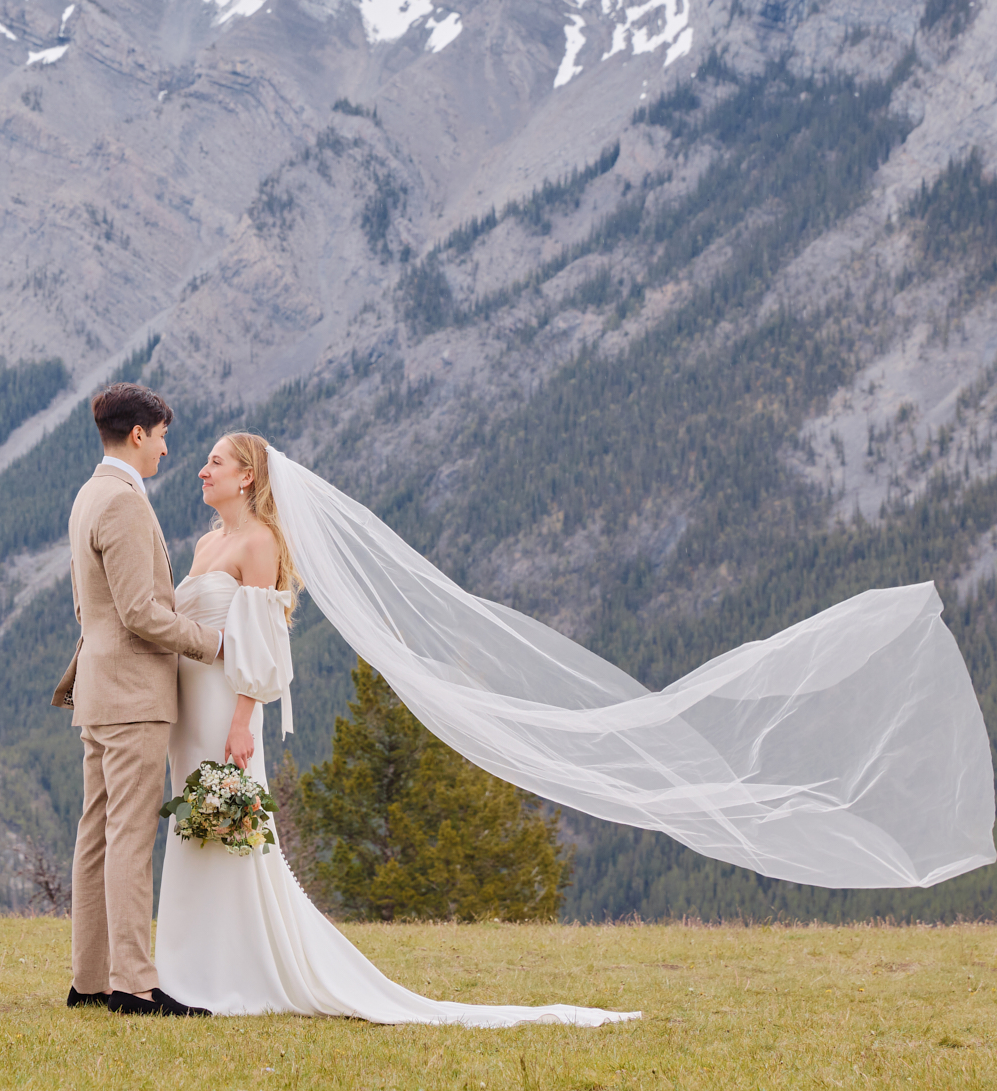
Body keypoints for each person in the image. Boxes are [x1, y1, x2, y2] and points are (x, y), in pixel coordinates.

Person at [152, 431, 638, 1026]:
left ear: (247, 476)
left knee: (229, 831)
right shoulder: (206, 542)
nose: (201, 470)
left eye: (215, 462)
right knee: (192, 827)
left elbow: (262, 642)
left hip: (225, 708)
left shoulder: (260, 543)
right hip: (189, 707)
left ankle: (228, 970)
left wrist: (243, 721)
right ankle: (185, 967)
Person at [50, 382, 224, 1017]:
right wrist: (215, 643)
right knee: (125, 838)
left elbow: (87, 607)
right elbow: (140, 612)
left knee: (95, 834)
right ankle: (133, 985)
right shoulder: (122, 503)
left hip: (100, 689)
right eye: (162, 436)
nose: (167, 448)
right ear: (139, 434)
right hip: (132, 695)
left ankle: (90, 979)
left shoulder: (89, 494)